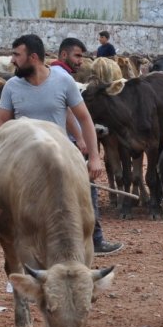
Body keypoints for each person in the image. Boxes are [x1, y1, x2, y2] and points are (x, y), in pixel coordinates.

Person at [0, 34, 123, 256]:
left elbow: (84, 118)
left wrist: (93, 156)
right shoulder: (11, 87)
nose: (12, 60)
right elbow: (1, 124)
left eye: (17, 55)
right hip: (26, 165)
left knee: (72, 212)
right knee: (25, 217)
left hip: (61, 161)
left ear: (33, 57)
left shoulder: (63, 82)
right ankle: (25, 265)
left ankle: (80, 254)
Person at [51, 37, 124, 256]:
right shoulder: (63, 78)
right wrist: (82, 139)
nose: (81, 62)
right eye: (77, 56)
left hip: (60, 142)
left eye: (82, 56)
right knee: (87, 192)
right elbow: (71, 113)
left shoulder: (53, 74)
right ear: (63, 55)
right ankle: (96, 240)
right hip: (68, 145)